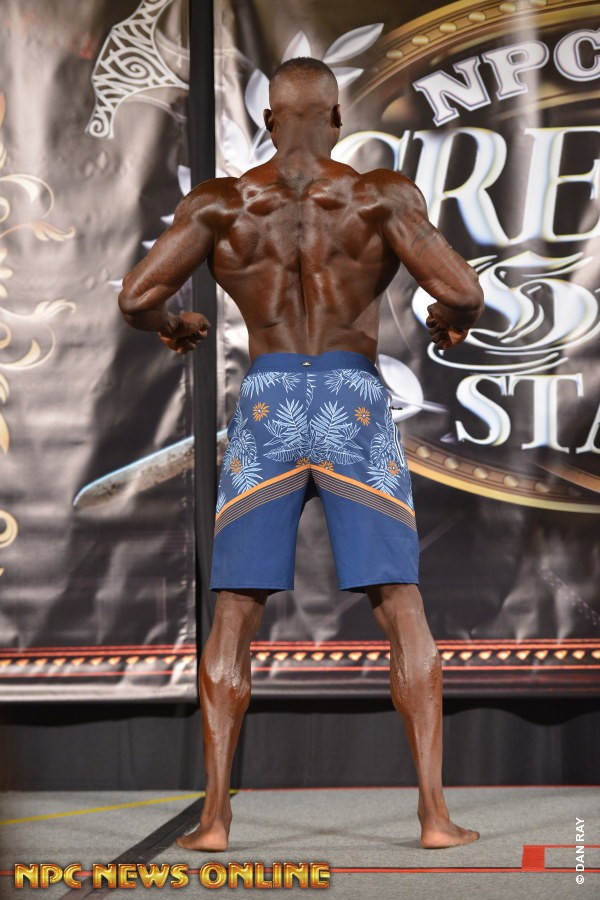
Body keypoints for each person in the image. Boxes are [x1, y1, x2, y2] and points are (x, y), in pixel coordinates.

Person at [118, 57, 484, 851]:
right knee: (400, 602)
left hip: (269, 404)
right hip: (351, 403)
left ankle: (214, 821)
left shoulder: (221, 203)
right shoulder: (379, 196)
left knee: (235, 608)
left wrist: (175, 327)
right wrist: (449, 322)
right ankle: (433, 817)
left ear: (269, 121)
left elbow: (137, 297)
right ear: (338, 119)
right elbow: (461, 289)